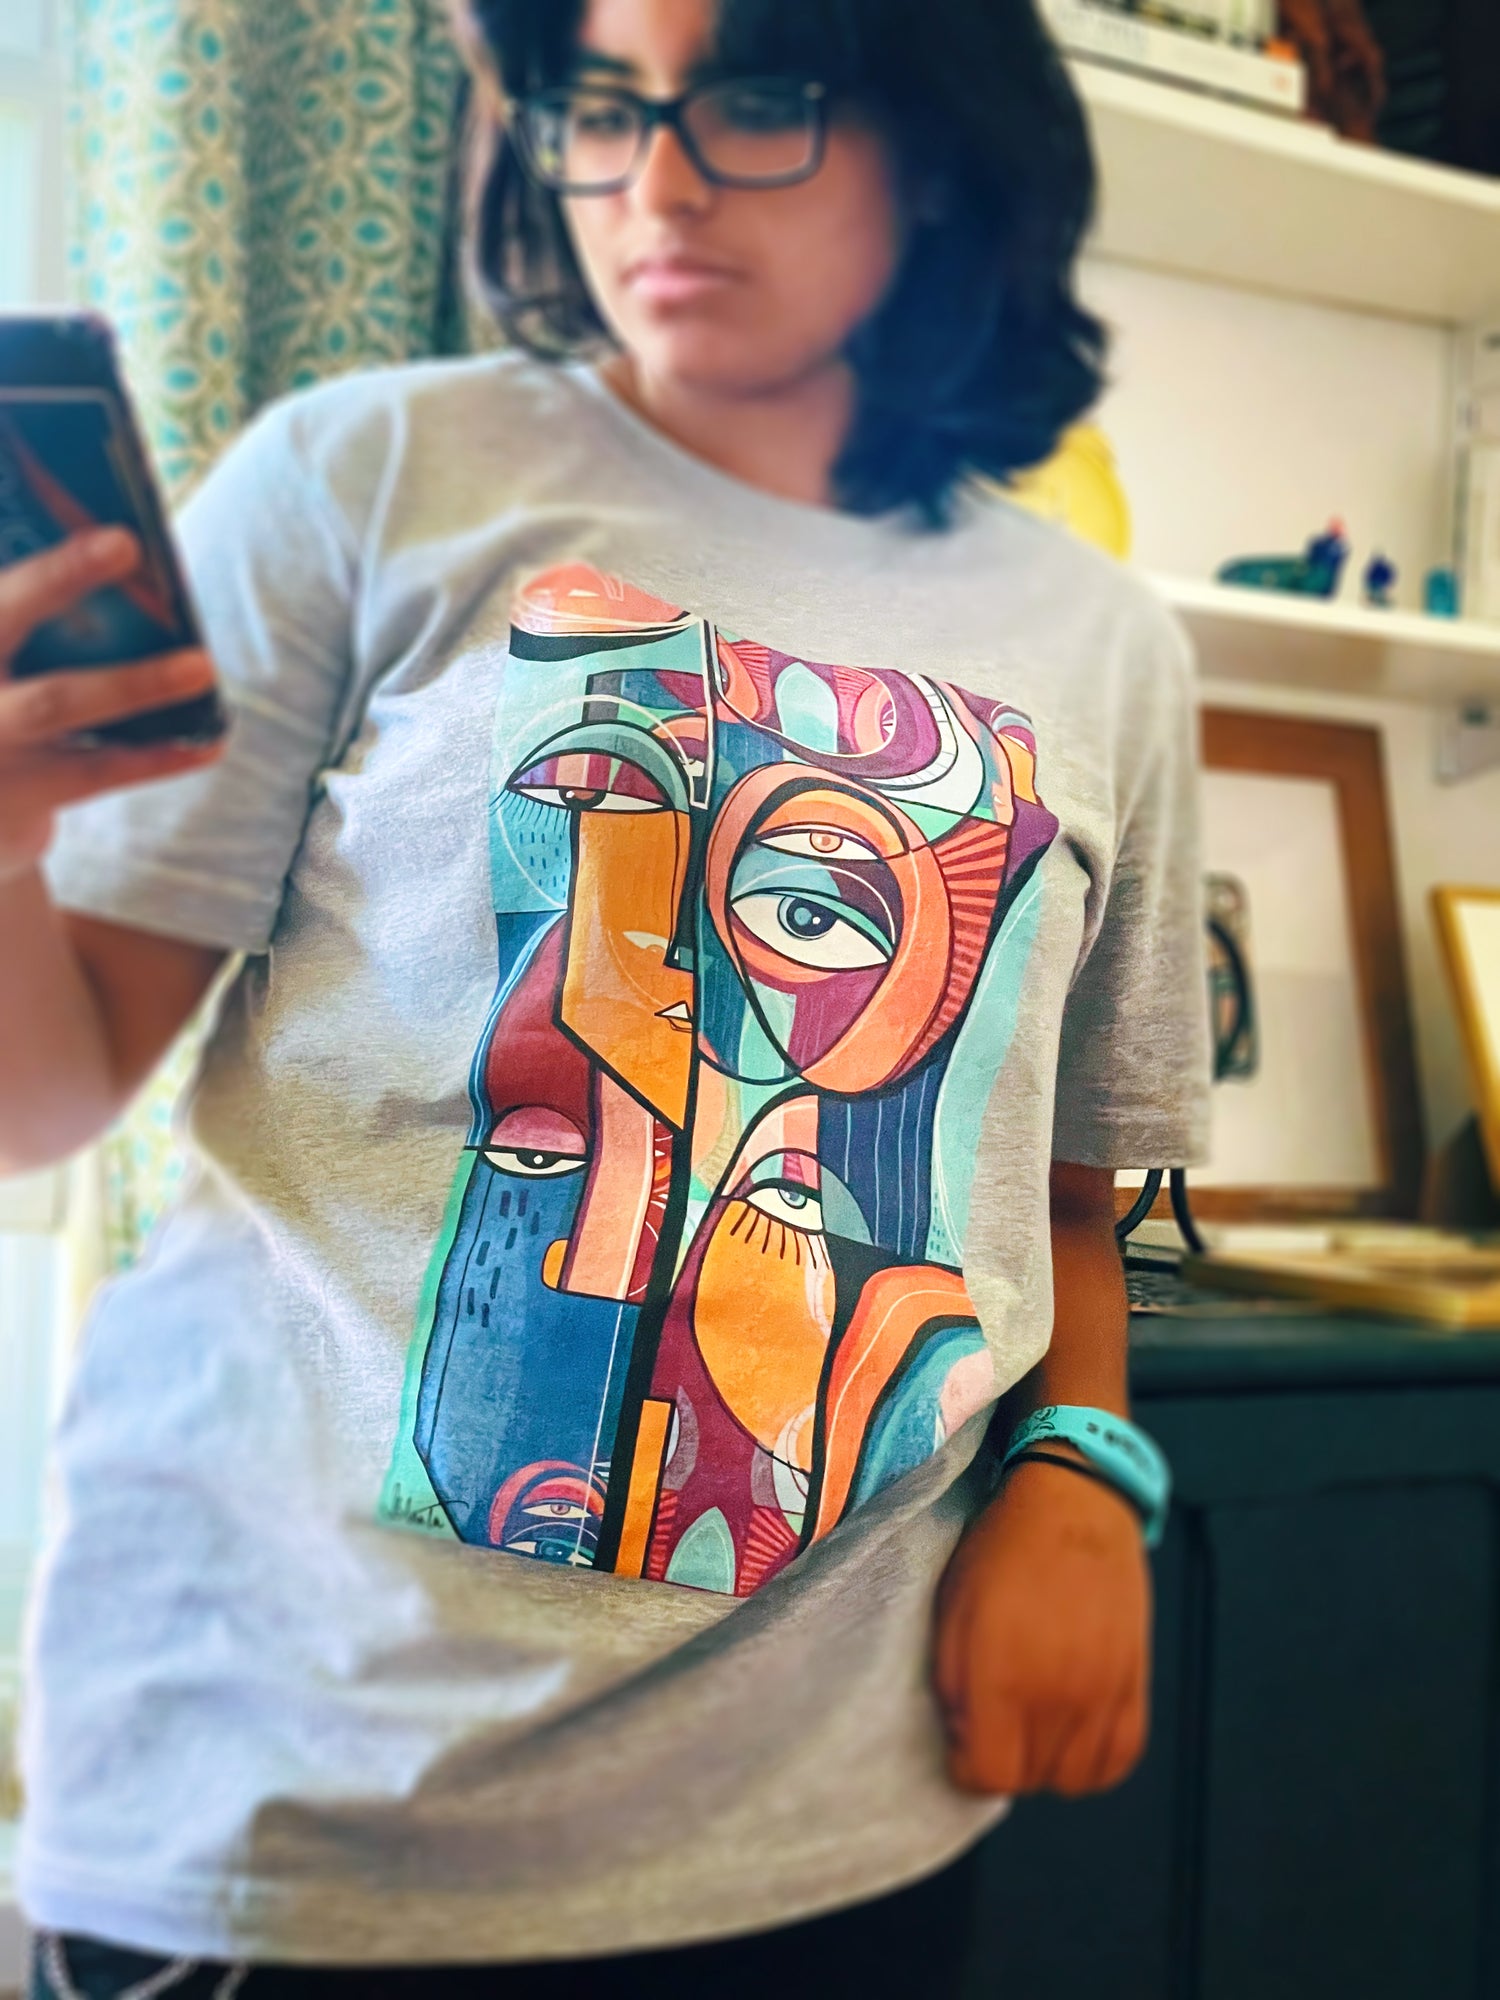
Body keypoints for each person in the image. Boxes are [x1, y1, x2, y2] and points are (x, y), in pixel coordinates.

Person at [0, 0, 1211, 1992]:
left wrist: (1086, 1476)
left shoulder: (1101, 645)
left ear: (940, 140)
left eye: (752, 98)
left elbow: (1062, 1197)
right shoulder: (366, 478)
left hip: (832, 1824)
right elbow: (45, 1094)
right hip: (288, 1799)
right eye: (598, 104)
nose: (653, 181)